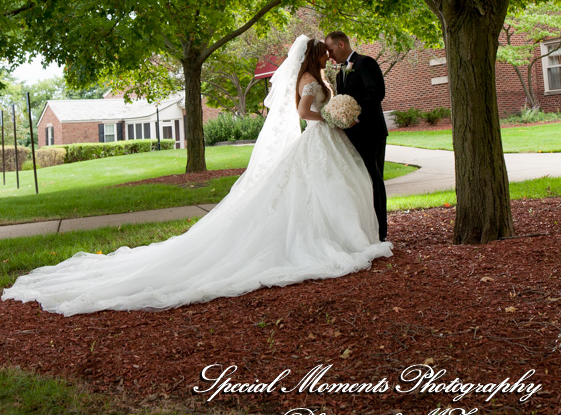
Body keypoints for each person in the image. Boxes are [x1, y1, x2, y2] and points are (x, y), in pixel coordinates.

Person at [2, 36, 391, 316]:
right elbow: (304, 112)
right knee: (317, 191)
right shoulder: (307, 81)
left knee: (334, 189)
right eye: (323, 53)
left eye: (329, 52)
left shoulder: (321, 77)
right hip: (319, 138)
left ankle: (347, 233)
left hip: (328, 141)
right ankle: (335, 239)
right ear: (313, 55)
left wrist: (336, 114)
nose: (328, 57)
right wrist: (329, 116)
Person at [324, 31, 388, 242]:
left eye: (331, 50)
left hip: (370, 132)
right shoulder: (340, 72)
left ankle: (380, 231)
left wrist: (356, 116)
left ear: (341, 44)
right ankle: (366, 230)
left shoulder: (365, 63)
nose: (330, 55)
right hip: (351, 135)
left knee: (373, 180)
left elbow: (376, 93)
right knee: (358, 182)